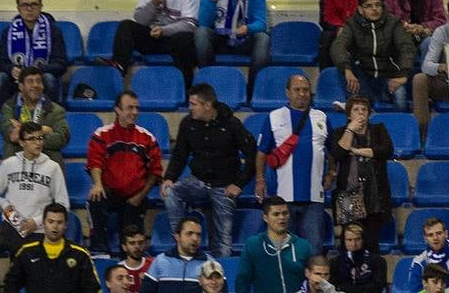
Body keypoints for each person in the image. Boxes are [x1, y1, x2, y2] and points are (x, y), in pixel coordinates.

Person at [164, 83, 258, 260]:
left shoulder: (231, 124)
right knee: (170, 192)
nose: (190, 108)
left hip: (224, 185)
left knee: (224, 238)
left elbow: (252, 153)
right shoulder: (188, 123)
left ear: (207, 105)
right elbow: (180, 154)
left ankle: (220, 271)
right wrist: (169, 177)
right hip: (197, 181)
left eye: (193, 104)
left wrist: (239, 184)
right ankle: (180, 240)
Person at [0, 120, 68, 290]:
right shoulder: (9, 164)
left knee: (28, 261)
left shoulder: (52, 167)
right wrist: (4, 204)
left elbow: (62, 203)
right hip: (11, 226)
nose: (38, 143)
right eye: (32, 139)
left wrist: (37, 221)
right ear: (21, 142)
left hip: (39, 230)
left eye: (40, 138)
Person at [255, 75, 331, 252]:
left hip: (314, 198)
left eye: (305, 90)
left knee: (314, 249)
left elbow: (332, 150)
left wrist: (331, 171)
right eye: (297, 90)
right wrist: (260, 180)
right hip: (282, 198)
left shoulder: (321, 117)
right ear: (287, 92)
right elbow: (261, 153)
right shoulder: (274, 117)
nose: (302, 94)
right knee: (284, 249)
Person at [87, 92, 164, 254]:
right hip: (110, 192)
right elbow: (95, 162)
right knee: (95, 198)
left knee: (132, 235)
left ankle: (130, 259)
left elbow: (155, 172)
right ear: (117, 110)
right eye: (130, 108)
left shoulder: (147, 138)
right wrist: (98, 184)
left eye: (137, 108)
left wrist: (140, 196)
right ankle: (100, 251)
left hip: (135, 196)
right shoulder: (102, 134)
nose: (135, 112)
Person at [240, 197, 315, 293]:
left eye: (285, 213)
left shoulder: (303, 246)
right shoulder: (253, 244)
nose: (282, 218)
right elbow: (243, 279)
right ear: (265, 217)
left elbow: (312, 281)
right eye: (276, 214)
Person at [328, 96, 395, 252]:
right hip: (348, 195)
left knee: (371, 244)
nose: (360, 113)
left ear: (369, 113)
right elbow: (338, 153)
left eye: (364, 109)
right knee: (349, 242)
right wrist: (350, 129)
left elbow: (386, 150)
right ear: (349, 114)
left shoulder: (378, 129)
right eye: (356, 110)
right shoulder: (340, 132)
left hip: (374, 194)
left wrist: (357, 151)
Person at [332, 0, 417, 111]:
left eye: (378, 5)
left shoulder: (393, 23)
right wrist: (347, 70)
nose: (375, 9)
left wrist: (403, 75)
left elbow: (407, 48)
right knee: (344, 62)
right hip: (364, 76)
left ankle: (397, 127)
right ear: (360, 9)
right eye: (369, 6)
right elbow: (338, 46)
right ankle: (356, 104)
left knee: (401, 98)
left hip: (389, 76)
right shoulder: (352, 24)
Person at [111, 0, 199, 74]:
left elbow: (190, 25)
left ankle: (184, 84)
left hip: (175, 40)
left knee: (183, 39)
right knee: (126, 25)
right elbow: (140, 21)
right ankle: (119, 68)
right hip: (154, 38)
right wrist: (153, 4)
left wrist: (163, 30)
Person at [194, 0, 269, 75]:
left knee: (263, 38)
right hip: (220, 39)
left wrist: (247, 28)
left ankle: (254, 89)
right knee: (201, 33)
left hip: (244, 39)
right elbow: (203, 23)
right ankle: (208, 81)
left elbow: (262, 23)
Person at [0, 0, 67, 106]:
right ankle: (2, 120)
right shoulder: (8, 32)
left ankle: (49, 119)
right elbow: (0, 62)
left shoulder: (53, 31)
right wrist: (11, 69)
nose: (29, 9)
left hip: (41, 78)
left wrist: (37, 71)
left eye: (34, 4)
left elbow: (61, 64)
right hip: (16, 81)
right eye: (24, 5)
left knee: (49, 79)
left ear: (41, 7)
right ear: (18, 8)